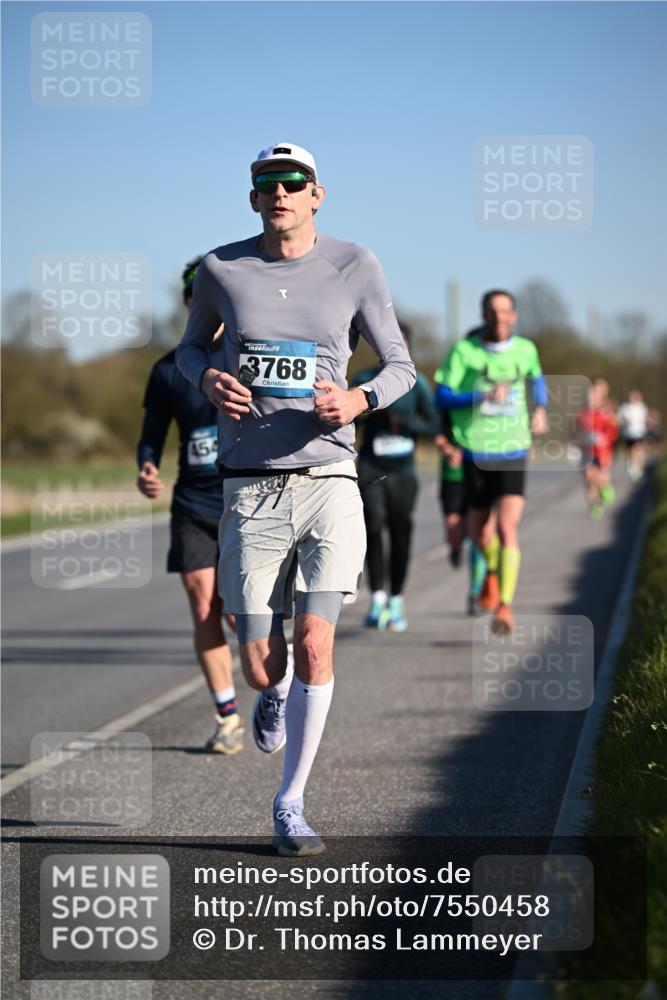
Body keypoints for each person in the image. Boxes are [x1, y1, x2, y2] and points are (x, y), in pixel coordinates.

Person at [175, 142, 415, 855]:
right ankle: (269, 692)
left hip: (330, 481)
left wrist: (358, 397)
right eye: (265, 184)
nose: (279, 192)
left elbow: (401, 364)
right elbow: (189, 349)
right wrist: (206, 380)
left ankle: (291, 802)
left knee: (314, 640)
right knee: (259, 661)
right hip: (249, 488)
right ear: (252, 198)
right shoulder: (221, 268)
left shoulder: (354, 264)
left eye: (292, 182)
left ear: (317, 194)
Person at [137, 258, 243, 754]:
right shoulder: (168, 369)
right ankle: (227, 718)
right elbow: (152, 433)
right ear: (189, 304)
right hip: (192, 502)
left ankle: (271, 688)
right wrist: (147, 465)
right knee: (205, 609)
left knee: (242, 615)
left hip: (243, 500)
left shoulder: (247, 357)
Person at [434, 290, 547, 635]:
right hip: (474, 451)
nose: (499, 318)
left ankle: (506, 606)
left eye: (505, 312)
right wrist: (480, 395)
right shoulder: (463, 351)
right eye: (492, 312)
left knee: (507, 529)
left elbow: (537, 378)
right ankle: (494, 575)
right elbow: (442, 396)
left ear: (514, 315)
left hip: (513, 449)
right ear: (484, 315)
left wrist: (540, 409)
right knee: (480, 534)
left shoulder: (526, 349)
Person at [351, 321, 439, 632]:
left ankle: (397, 600)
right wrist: (365, 413)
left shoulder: (418, 384)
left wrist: (405, 423)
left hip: (403, 471)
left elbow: (434, 426)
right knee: (372, 527)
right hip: (371, 468)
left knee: (400, 533)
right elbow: (348, 426)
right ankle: (377, 598)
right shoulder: (363, 379)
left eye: (399, 342)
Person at [576, 376, 618, 518]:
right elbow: (576, 430)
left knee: (599, 478)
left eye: (595, 394)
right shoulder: (582, 413)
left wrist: (605, 438)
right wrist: (575, 443)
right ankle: (595, 504)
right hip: (587, 451)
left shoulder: (606, 412)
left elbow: (613, 429)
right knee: (588, 477)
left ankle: (604, 487)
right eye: (590, 394)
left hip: (603, 452)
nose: (592, 397)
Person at [618, 389, 649, 480]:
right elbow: (620, 418)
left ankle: (638, 464)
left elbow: (645, 418)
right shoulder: (625, 407)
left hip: (639, 432)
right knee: (630, 449)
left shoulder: (642, 407)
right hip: (628, 433)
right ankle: (633, 463)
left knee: (638, 448)